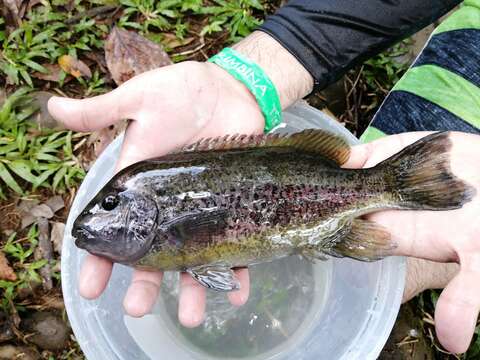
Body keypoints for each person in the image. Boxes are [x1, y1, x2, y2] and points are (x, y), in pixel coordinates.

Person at [48, 0, 480, 354]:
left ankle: (400, 194)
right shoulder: (142, 191)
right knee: (379, 252)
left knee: (391, 261)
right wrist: (247, 79)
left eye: (109, 205)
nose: (91, 222)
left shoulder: (145, 195)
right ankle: (404, 193)